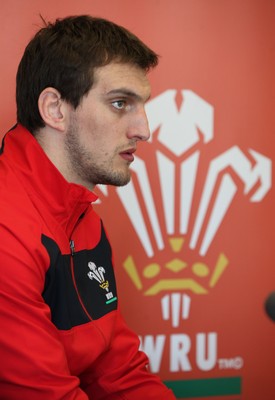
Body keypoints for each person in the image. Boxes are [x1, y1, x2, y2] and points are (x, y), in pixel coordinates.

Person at [0, 15, 176, 400]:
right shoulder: (6, 233)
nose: (143, 129)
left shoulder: (83, 216)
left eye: (141, 106)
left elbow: (117, 370)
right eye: (119, 103)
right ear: (55, 109)